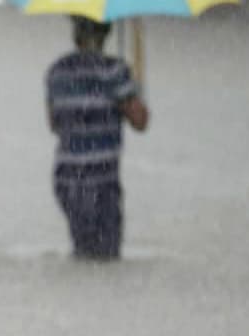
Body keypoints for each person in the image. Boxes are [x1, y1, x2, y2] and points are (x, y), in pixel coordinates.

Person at [46, 16, 150, 260]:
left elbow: (53, 124)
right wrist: (135, 90)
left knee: (83, 252)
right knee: (107, 258)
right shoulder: (115, 71)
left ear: (76, 33)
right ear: (107, 33)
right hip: (101, 180)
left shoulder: (57, 72)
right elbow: (140, 122)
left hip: (67, 179)